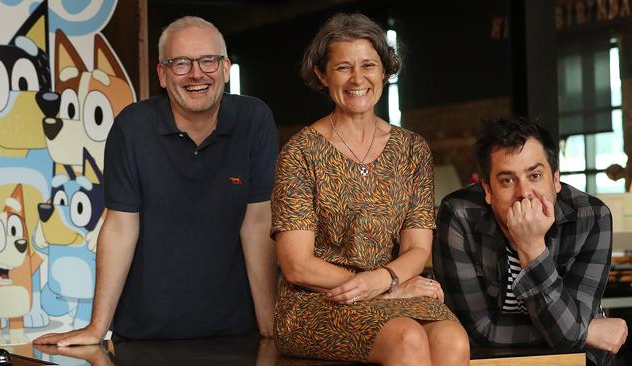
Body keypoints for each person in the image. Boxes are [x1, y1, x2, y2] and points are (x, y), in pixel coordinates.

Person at [33, 16, 278, 345]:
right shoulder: (132, 127)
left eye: (208, 60)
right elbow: (120, 226)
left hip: (236, 332)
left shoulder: (254, 120)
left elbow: (258, 222)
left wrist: (271, 327)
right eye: (181, 63)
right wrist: (96, 327)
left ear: (225, 68)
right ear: (162, 74)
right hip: (143, 335)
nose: (196, 74)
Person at [271, 13, 469, 365]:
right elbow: (297, 265)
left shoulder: (412, 149)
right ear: (321, 74)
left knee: (452, 339)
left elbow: (417, 247)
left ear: (385, 71)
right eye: (343, 67)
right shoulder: (300, 152)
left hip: (393, 288)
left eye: (368, 65)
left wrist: (386, 282)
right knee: (407, 338)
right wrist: (383, 290)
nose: (357, 78)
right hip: (318, 301)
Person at [433, 117, 628, 365]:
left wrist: (532, 248)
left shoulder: (592, 217)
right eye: (507, 180)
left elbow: (570, 341)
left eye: (535, 175)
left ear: (556, 180)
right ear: (488, 191)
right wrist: (585, 331)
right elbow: (478, 329)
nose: (524, 192)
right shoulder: (459, 214)